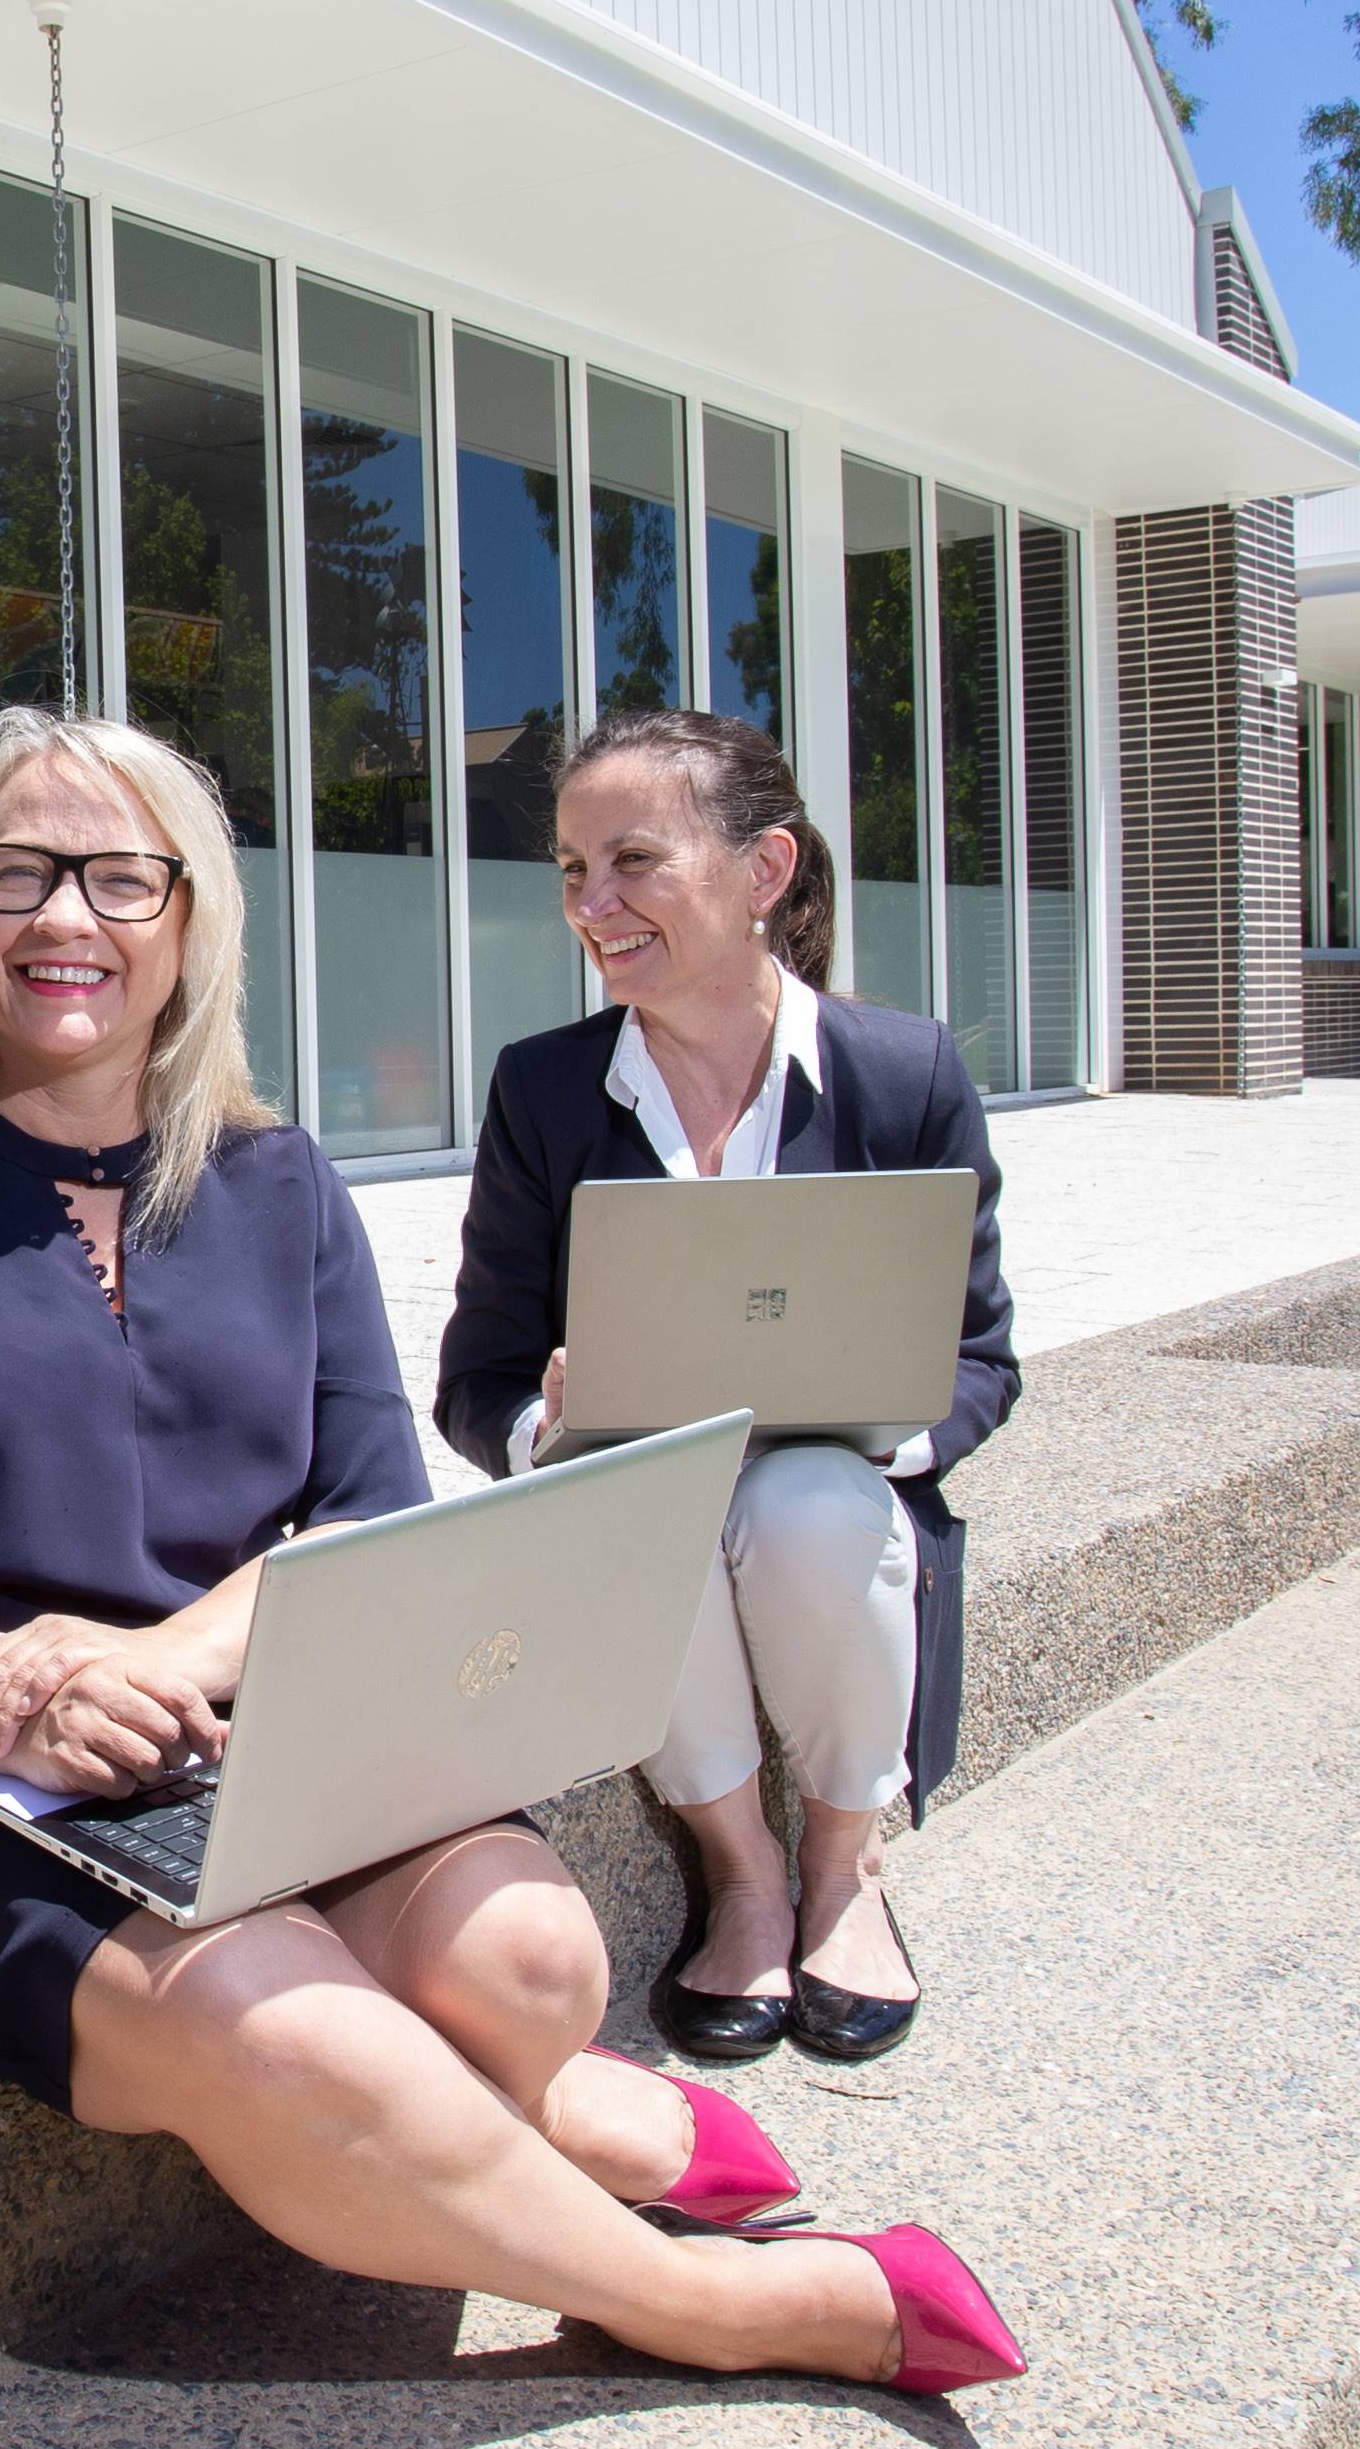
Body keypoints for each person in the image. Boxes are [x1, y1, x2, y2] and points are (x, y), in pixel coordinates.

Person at [0, 704, 1020, 2391]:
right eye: (15, 872)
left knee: (538, 1955)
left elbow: (370, 1510)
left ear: (189, 921)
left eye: (118, 877)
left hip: (263, 1723)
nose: (62, 920)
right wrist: (7, 1709)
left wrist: (168, 1662)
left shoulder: (277, 1180)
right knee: (290, 2020)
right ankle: (724, 2302)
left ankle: (521, 2111)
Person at [432, 710, 1019, 2069]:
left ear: (763, 873)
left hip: (829, 1501)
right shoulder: (546, 1092)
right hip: (647, 1506)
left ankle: (844, 1867)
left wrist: (889, 1417)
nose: (595, 904)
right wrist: (550, 1424)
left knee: (817, 1500)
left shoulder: (902, 1077)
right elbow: (477, 1376)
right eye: (574, 871)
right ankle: (741, 1873)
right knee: (647, 1503)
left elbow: (982, 1358)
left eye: (634, 860)